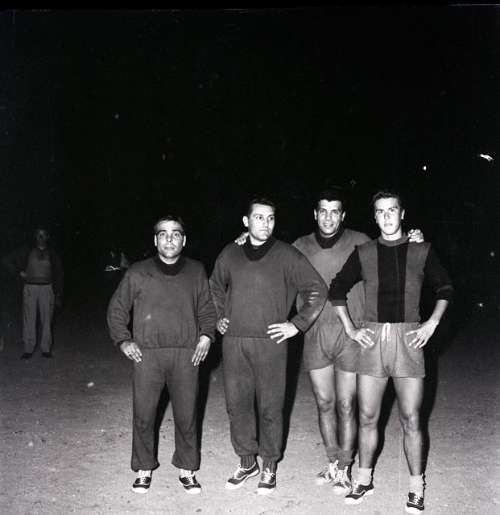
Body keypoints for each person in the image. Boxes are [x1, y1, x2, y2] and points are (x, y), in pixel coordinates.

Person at [234, 189, 424, 495]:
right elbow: (266, 253)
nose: (328, 217)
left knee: (346, 404)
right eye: (323, 210)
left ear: (343, 215)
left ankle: (346, 466)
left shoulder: (361, 241)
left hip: (351, 333)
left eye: (335, 211)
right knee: (324, 402)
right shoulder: (299, 246)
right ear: (315, 214)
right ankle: (333, 461)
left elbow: (393, 249)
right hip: (315, 334)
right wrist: (245, 239)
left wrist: (413, 237)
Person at [330, 190, 453, 514]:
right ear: (375, 217)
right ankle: (363, 479)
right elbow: (337, 288)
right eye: (381, 212)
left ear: (402, 213)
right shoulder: (364, 252)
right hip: (372, 341)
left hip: (408, 340)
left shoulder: (421, 249)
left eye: (392, 210)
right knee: (367, 416)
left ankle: (416, 487)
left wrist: (431, 323)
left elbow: (445, 288)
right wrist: (351, 329)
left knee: (411, 418)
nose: (387, 216)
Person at [209, 197, 328, 495]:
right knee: (237, 404)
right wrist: (219, 316)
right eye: (259, 217)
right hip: (235, 341)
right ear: (246, 221)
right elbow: (214, 287)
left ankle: (269, 465)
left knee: (270, 406)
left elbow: (317, 289)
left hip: (271, 342)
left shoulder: (287, 255)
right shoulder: (230, 253)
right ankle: (247, 462)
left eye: (271, 218)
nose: (266, 223)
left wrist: (296, 324)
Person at [107, 215, 216, 495]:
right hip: (148, 356)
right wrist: (123, 340)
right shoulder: (137, 272)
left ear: (184, 240)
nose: (169, 239)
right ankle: (143, 468)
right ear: (155, 240)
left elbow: (207, 308)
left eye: (176, 233)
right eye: (163, 234)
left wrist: (206, 335)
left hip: (186, 355)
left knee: (187, 414)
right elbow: (117, 309)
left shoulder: (196, 270)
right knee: (144, 414)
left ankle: (187, 469)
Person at [2, 227, 63, 359]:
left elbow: (59, 273)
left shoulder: (52, 253)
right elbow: (6, 260)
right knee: (29, 318)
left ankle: (46, 349)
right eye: (38, 235)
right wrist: (18, 272)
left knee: (47, 319)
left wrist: (58, 293)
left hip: (47, 289)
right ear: (35, 237)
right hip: (30, 288)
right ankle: (28, 349)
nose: (41, 237)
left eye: (43, 234)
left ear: (47, 237)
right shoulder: (26, 250)